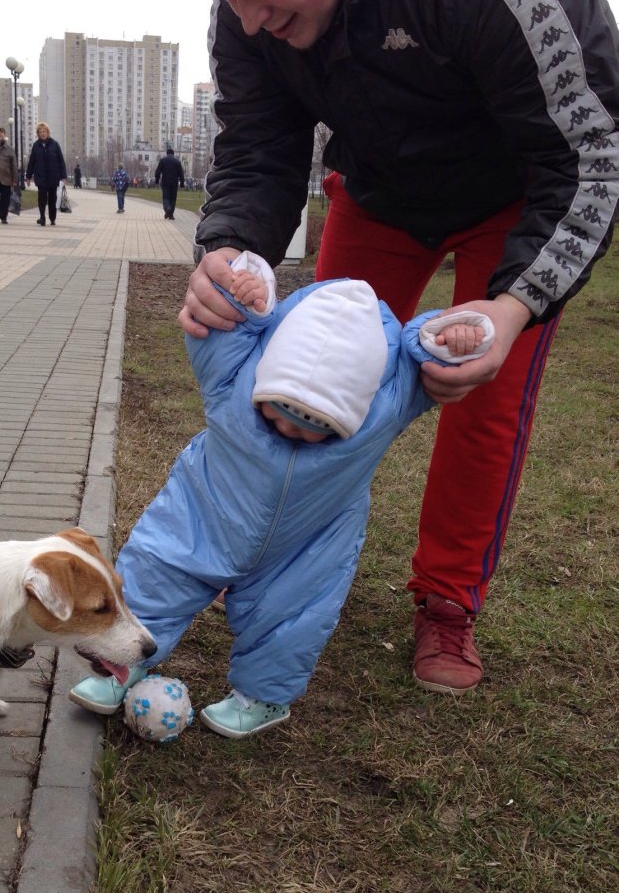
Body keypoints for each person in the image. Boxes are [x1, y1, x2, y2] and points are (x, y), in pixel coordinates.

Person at [180, 0, 619, 694]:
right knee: (301, 379)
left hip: (512, 197)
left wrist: (513, 306)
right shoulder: (245, 11)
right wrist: (231, 251)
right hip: (379, 192)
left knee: (479, 395)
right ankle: (266, 552)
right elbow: (257, 147)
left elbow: (592, 154)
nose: (250, 18)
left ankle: (447, 597)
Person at [70, 252, 490, 737]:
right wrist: (247, 292)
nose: (290, 428)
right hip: (203, 516)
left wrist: (446, 338)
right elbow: (223, 324)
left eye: (318, 427)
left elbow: (427, 361)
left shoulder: (386, 408)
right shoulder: (233, 376)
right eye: (278, 410)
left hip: (307, 544)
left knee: (293, 618)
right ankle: (123, 664)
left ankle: (264, 697)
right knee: (156, 576)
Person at [25, 122, 67, 226]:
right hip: (41, 177)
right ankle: (42, 217)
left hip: (53, 177)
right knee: (42, 199)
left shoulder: (55, 144)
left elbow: (61, 161)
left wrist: (63, 176)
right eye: (40, 132)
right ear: (38, 134)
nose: (42, 133)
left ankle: (52, 218)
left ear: (48, 132)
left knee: (52, 199)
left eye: (44, 131)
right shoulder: (36, 146)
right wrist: (28, 177)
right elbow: (32, 162)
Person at [154, 146, 185, 220]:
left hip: (165, 182)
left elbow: (158, 171)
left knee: (166, 197)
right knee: (173, 199)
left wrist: (157, 181)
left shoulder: (162, 160)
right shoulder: (177, 162)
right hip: (174, 182)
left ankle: (167, 209)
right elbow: (181, 173)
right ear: (173, 154)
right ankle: (171, 214)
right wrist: (182, 184)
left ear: (167, 153)